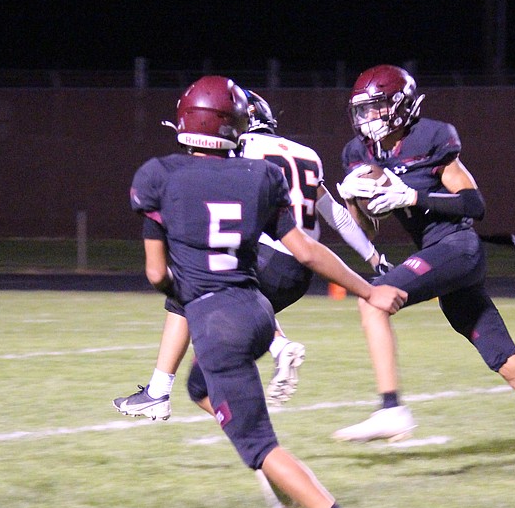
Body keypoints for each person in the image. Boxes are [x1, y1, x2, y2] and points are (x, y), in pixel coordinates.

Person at [129, 74, 407, 508]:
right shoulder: (260, 177)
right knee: (201, 391)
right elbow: (307, 248)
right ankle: (277, 470)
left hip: (218, 324)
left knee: (260, 445)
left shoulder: (158, 175)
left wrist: (190, 293)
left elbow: (156, 274)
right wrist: (369, 286)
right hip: (257, 310)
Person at [332, 64, 515, 475]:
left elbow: (473, 205)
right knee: (504, 358)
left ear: (399, 106)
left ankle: (391, 408)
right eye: (363, 110)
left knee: (373, 300)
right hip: (440, 256)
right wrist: (355, 201)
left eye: (375, 108)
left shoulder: (429, 137)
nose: (367, 118)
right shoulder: (358, 154)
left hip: (457, 248)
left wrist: (412, 195)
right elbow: (366, 232)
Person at [113, 89, 394, 419]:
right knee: (204, 368)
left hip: (267, 253)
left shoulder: (243, 148)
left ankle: (161, 392)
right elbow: (335, 215)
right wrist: (373, 256)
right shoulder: (308, 154)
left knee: (192, 285)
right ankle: (264, 369)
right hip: (299, 269)